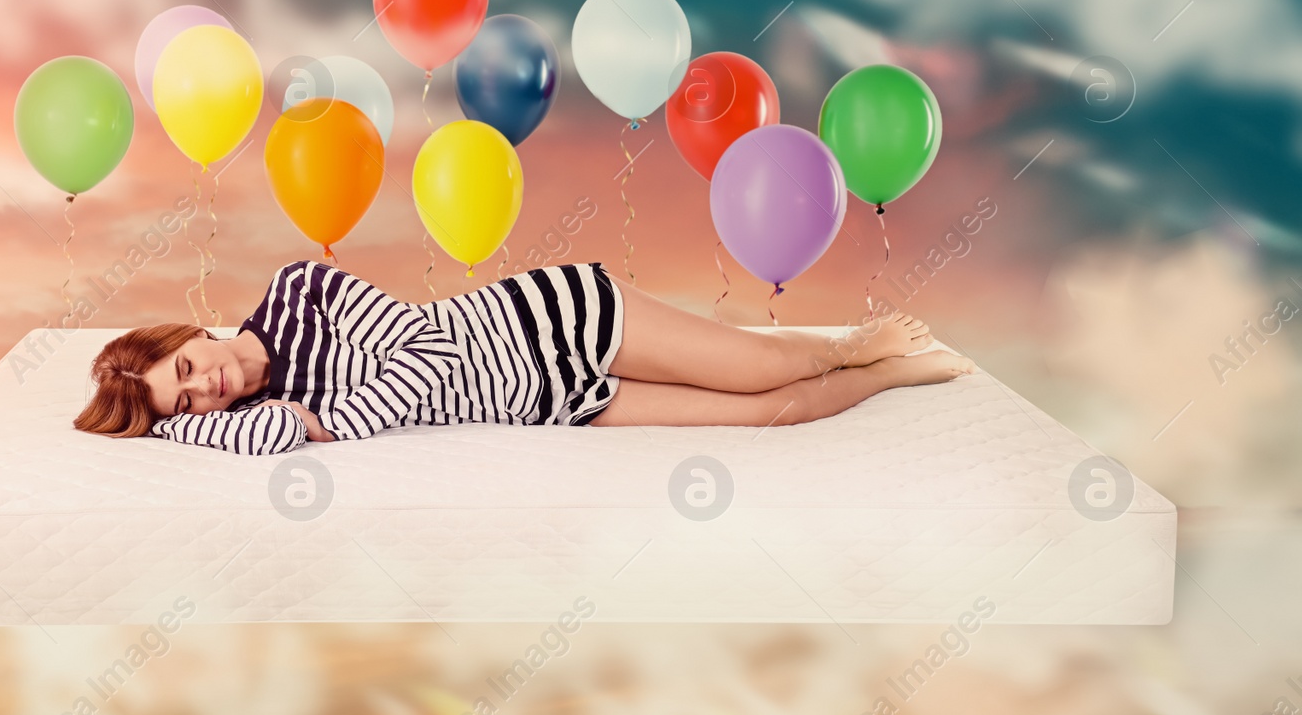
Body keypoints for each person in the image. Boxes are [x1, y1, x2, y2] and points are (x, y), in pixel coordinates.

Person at [73, 259, 974, 454]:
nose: (206, 389)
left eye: (186, 369)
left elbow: (422, 355)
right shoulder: (264, 418)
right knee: (767, 415)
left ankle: (858, 343)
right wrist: (161, 428)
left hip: (555, 321)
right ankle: (893, 370)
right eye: (186, 404)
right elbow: (268, 438)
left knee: (765, 369)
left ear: (192, 331)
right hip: (551, 401)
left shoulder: (298, 288)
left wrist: (332, 420)